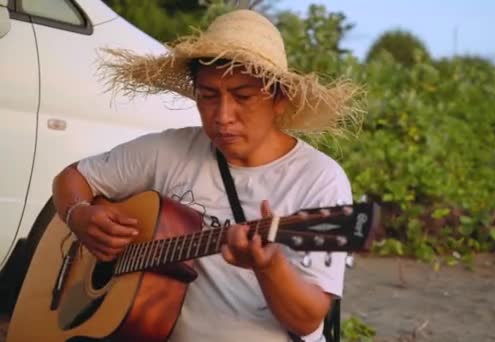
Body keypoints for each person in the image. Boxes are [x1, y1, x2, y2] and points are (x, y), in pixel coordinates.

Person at [52, 9, 361, 342]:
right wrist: (78, 214)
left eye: (242, 96)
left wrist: (269, 267)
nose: (223, 116)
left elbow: (307, 320)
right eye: (208, 96)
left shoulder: (320, 179)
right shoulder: (169, 150)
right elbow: (71, 178)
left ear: (279, 99)